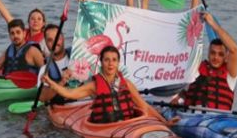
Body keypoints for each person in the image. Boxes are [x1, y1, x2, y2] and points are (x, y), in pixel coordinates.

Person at [42, 46, 178, 125]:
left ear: (118, 63)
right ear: (101, 62)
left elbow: (144, 106)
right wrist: (51, 83)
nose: (110, 63)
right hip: (105, 128)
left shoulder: (127, 84)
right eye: (106, 60)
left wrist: (164, 122)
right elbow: (69, 94)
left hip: (128, 125)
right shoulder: (94, 85)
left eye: (114, 60)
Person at [173, 0, 237, 110]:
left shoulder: (230, 75)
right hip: (192, 119)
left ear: (226, 57)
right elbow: (191, 34)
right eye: (213, 53)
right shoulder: (197, 68)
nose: (215, 57)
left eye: (220, 54)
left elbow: (234, 50)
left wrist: (212, 23)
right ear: (208, 53)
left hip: (217, 121)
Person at [37, 24, 73, 104]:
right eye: (50, 40)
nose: (54, 43)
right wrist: (62, 82)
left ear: (63, 39)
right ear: (46, 43)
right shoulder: (45, 68)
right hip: (64, 108)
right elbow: (42, 97)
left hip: (86, 103)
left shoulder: (76, 55)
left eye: (57, 38)